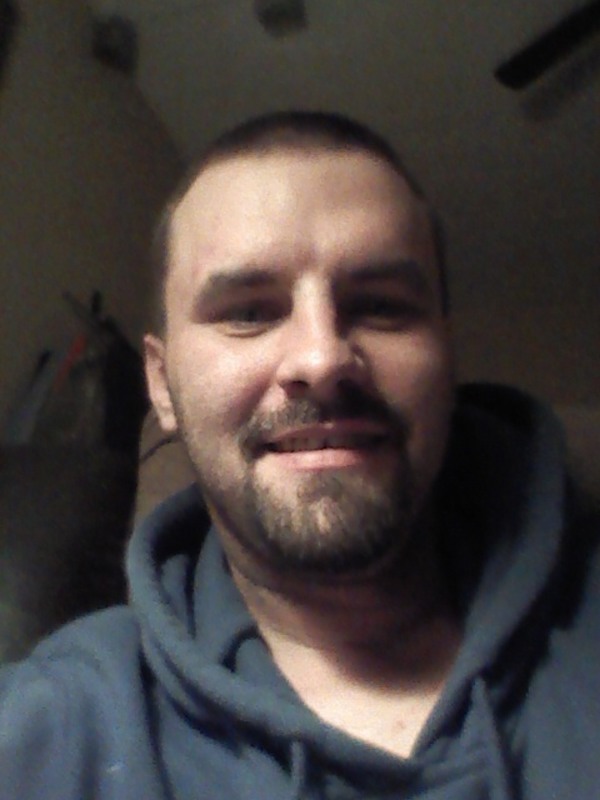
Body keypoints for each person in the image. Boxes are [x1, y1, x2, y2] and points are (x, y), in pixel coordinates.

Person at [1, 110, 599, 799]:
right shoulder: (52, 726)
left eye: (381, 305)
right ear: (161, 384)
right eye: (248, 312)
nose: (322, 358)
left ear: (446, 350)